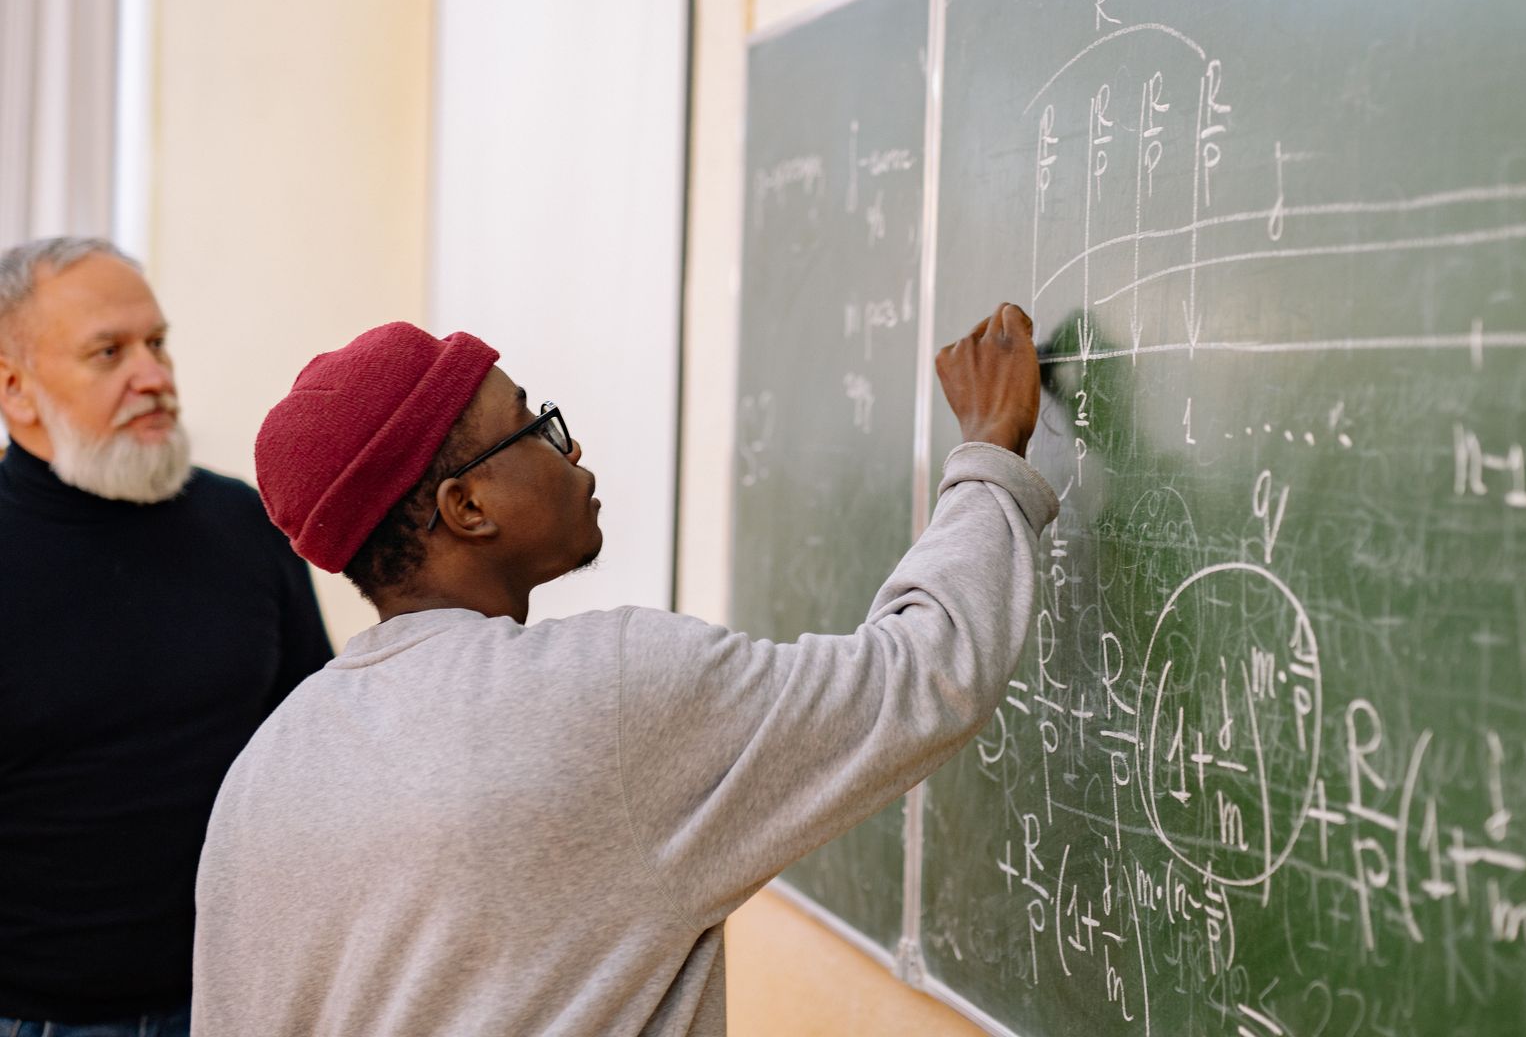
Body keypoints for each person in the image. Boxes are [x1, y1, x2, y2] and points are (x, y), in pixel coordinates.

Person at [190, 304, 1054, 1036]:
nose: (571, 451)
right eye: (537, 428)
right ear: (467, 506)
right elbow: (922, 678)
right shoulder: (602, 697)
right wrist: (989, 453)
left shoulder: (265, 770)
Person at [0, 237, 334, 1036]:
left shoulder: (245, 525)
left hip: (240, 1002)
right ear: (16, 389)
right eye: (107, 352)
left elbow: (319, 750)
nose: (151, 375)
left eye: (156, 343)